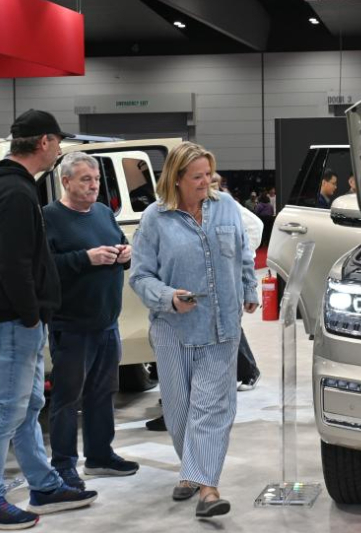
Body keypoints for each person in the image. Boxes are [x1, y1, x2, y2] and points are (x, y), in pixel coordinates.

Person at [0, 110, 97, 529]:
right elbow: (13, 264)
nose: (59, 150)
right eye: (58, 142)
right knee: (6, 411)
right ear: (44, 142)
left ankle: (43, 485)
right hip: (12, 322)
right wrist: (29, 315)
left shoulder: (10, 186)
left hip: (15, 320)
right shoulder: (15, 192)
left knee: (28, 407)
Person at [130, 142, 259, 518]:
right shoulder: (155, 218)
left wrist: (249, 289)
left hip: (223, 326)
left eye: (209, 175)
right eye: (197, 177)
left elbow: (243, 253)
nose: (206, 183)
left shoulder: (227, 207)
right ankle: (191, 471)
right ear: (177, 178)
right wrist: (168, 297)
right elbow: (140, 275)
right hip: (174, 329)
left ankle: (207, 490)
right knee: (178, 409)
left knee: (212, 407)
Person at [42, 152, 140, 492]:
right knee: (67, 399)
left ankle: (99, 455)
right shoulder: (49, 218)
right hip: (71, 325)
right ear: (66, 181)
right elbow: (44, 268)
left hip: (107, 322)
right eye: (86, 179)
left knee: (103, 392)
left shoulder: (102, 212)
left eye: (96, 179)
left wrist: (125, 254)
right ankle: (63, 465)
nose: (94, 185)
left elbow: (121, 245)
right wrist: (86, 258)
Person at [216, 173, 263, 390]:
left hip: (228, 275)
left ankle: (249, 371)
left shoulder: (227, 205)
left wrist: (242, 255)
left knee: (230, 324)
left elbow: (255, 226)